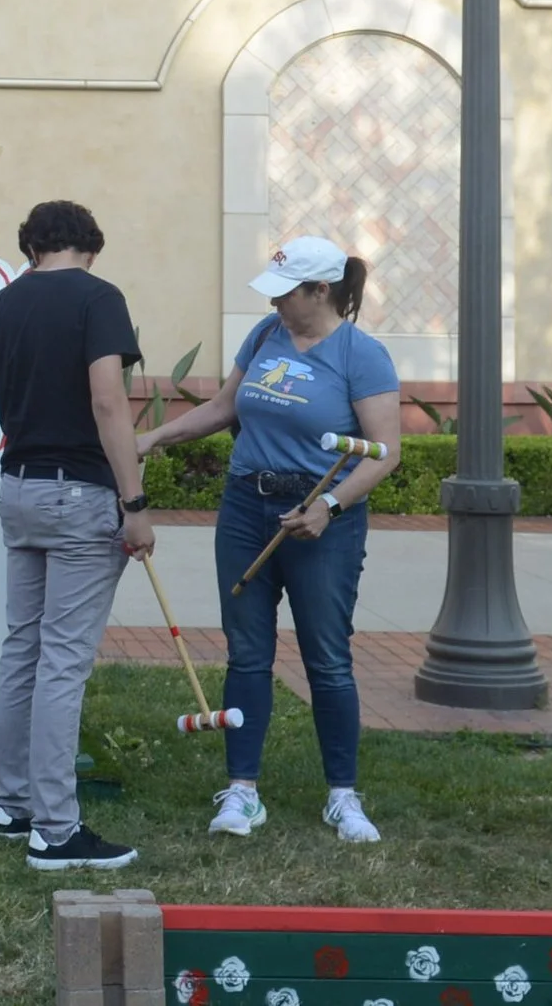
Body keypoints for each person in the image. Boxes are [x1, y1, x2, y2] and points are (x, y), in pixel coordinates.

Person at [0, 199, 154, 871]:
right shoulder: (100, 298)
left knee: (24, 649)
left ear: (31, 247)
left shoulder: (3, 305)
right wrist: (135, 501)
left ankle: (13, 804)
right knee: (63, 660)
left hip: (19, 491)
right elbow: (108, 400)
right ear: (90, 246)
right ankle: (55, 828)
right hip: (80, 494)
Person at [134, 235, 401, 844]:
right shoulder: (263, 337)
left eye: (287, 293)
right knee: (246, 651)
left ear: (321, 291)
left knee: (327, 657)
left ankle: (343, 796)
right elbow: (225, 409)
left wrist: (329, 507)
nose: (276, 302)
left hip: (319, 520)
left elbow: (386, 454)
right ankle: (243, 792)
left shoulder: (363, 355)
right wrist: (153, 439)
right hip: (245, 508)